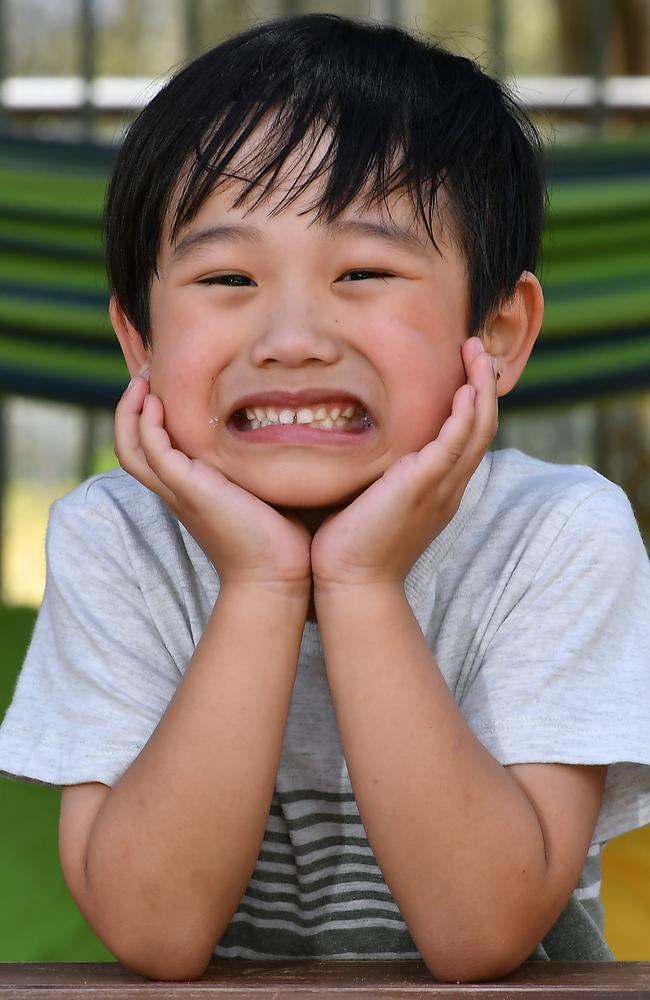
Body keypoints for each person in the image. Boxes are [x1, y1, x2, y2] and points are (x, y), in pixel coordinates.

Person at [1, 13, 649, 983]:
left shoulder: (555, 535)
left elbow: (479, 936)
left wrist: (359, 583)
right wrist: (261, 582)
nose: (292, 335)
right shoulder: (118, 538)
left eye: (363, 271)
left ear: (502, 331)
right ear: (138, 342)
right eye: (226, 275)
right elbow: (152, 931)